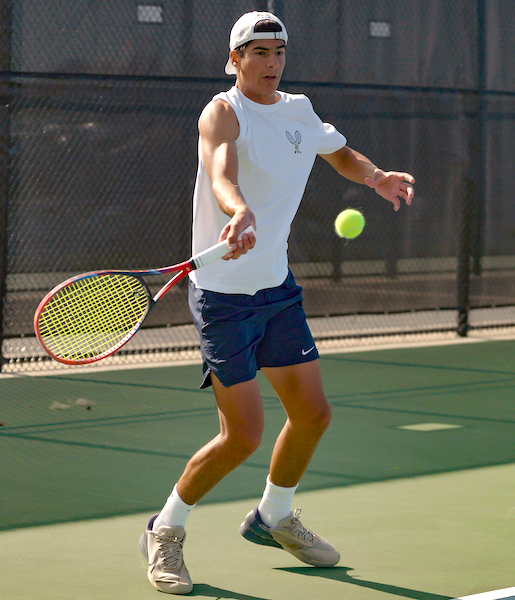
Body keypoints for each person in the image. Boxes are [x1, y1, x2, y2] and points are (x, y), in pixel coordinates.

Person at [139, 11, 415, 595]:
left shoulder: (300, 110)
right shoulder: (222, 111)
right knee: (242, 435)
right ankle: (165, 528)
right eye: (257, 52)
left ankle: (273, 516)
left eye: (278, 52)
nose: (270, 62)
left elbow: (338, 154)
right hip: (224, 300)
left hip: (277, 291)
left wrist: (375, 177)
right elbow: (220, 167)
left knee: (313, 414)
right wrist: (237, 209)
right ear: (234, 61)